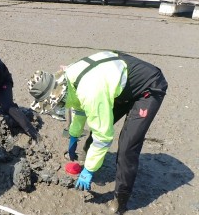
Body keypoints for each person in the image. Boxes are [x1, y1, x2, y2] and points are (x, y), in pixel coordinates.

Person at [27, 51, 168, 214]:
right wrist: (73, 137)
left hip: (148, 87)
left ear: (58, 91)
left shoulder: (90, 90)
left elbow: (104, 135)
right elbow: (79, 109)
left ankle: (121, 200)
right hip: (119, 86)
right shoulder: (69, 80)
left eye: (56, 103)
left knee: (127, 147)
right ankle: (90, 159)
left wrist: (88, 170)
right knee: (96, 126)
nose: (58, 106)